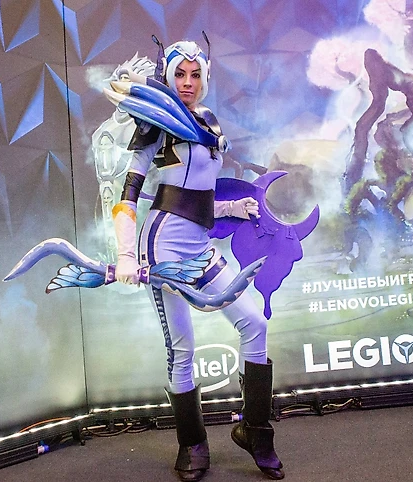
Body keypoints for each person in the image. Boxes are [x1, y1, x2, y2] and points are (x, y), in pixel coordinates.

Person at [111, 40, 284, 481]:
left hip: (200, 247)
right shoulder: (155, 122)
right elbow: (128, 194)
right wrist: (126, 254)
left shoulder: (208, 120)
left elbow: (198, 193)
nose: (187, 83)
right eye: (179, 74)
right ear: (168, 76)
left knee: (255, 324)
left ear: (204, 78)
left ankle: (255, 431)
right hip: (163, 250)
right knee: (182, 348)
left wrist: (229, 209)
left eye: (195, 75)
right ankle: (192, 442)